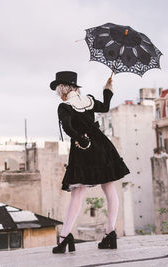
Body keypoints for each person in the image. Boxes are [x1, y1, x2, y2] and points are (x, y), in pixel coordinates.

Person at [49, 71, 130, 254]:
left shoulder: (65, 107)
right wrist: (107, 90)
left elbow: (68, 128)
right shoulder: (89, 100)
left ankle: (65, 237)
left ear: (63, 89)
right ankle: (110, 233)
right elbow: (106, 106)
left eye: (58, 89)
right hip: (102, 147)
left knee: (77, 193)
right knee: (109, 188)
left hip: (83, 150)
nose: (58, 93)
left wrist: (80, 139)